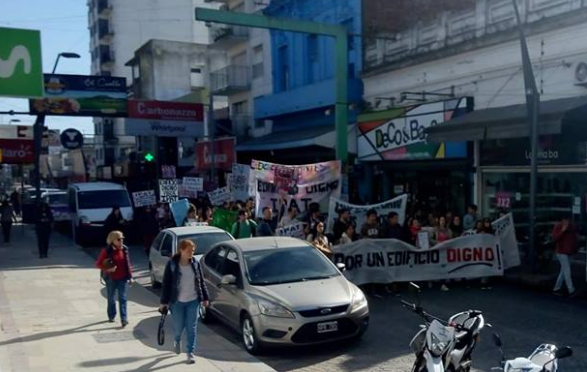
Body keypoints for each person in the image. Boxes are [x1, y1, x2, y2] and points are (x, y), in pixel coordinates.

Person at [159, 239, 210, 364]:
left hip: (193, 300)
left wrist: (205, 297)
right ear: (181, 250)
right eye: (188, 251)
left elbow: (201, 281)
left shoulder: (195, 264)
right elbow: (166, 284)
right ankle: (177, 340)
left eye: (192, 251)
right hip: (177, 302)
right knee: (178, 327)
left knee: (191, 327)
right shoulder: (171, 264)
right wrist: (163, 302)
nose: (191, 253)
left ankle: (190, 353)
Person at [96, 230, 133, 327]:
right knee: (111, 298)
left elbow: (127, 263)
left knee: (123, 298)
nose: (121, 241)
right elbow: (98, 264)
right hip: (111, 279)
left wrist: (130, 277)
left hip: (123, 278)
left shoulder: (124, 249)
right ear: (113, 240)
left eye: (122, 239)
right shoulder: (106, 251)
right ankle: (111, 315)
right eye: (119, 239)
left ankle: (124, 319)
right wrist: (108, 269)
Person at [552, 216, 578, 297]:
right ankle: (571, 290)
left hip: (567, 252)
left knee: (563, 271)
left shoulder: (571, 227)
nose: (566, 222)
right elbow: (555, 238)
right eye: (565, 220)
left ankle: (557, 288)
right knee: (566, 271)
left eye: (567, 220)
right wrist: (562, 231)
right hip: (561, 252)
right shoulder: (559, 226)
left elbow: (574, 239)